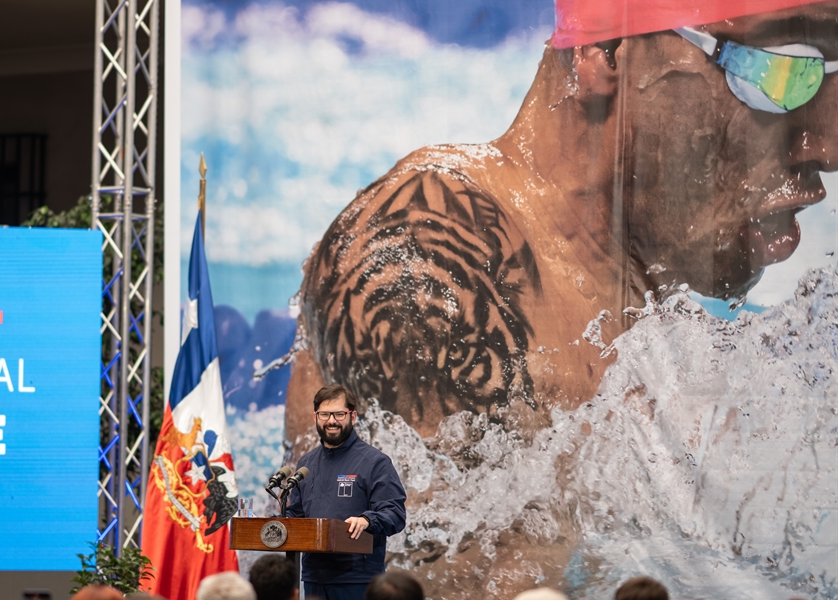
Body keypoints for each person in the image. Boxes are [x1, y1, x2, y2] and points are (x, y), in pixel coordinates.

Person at [285, 0, 838, 444]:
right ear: (606, 52)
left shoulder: (646, 314)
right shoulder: (426, 250)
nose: (828, 147)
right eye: (783, 72)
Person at [284, 384, 407, 600]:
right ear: (315, 416)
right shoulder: (306, 464)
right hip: (313, 578)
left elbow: (395, 514)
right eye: (324, 414)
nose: (331, 421)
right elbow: (296, 516)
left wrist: (367, 520)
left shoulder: (375, 462)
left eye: (339, 414)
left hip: (357, 579)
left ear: (353, 416)